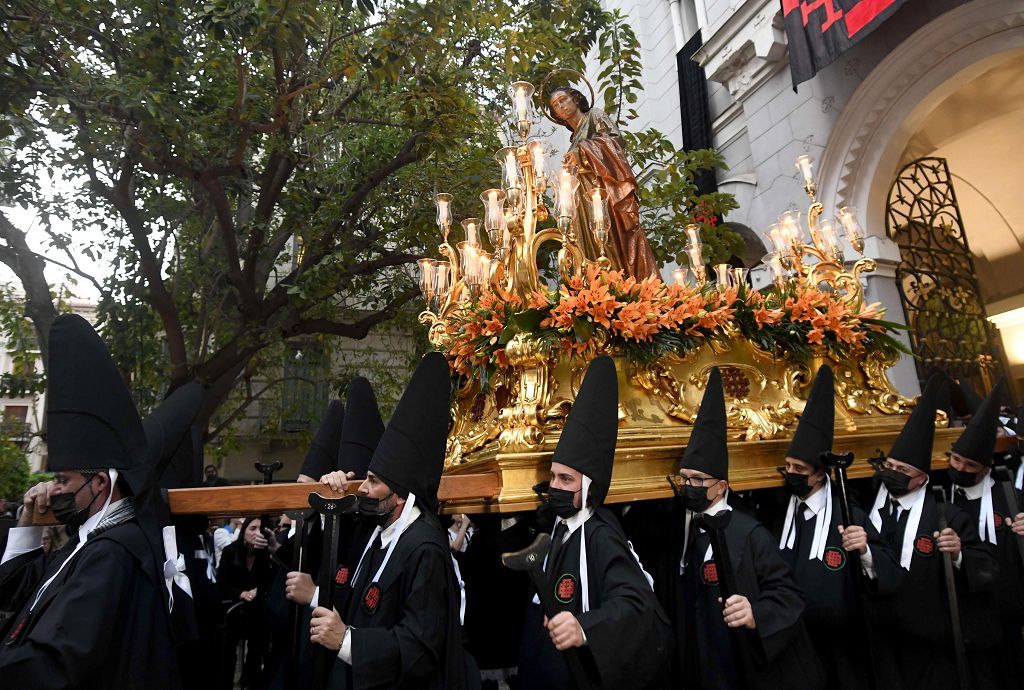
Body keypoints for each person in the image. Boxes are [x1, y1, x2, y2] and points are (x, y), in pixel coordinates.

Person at [0, 313, 180, 688]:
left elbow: (58, 661)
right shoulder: (88, 541)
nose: (53, 490)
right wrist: (29, 523)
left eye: (63, 479)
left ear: (100, 483)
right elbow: (16, 589)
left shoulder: (112, 551)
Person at [657, 367, 823, 690]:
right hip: (703, 662)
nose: (688, 485)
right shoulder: (685, 529)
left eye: (696, 480)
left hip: (742, 668)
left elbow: (789, 596)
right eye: (684, 477)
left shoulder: (750, 535)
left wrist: (755, 613)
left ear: (720, 487)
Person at [518, 355, 672, 690]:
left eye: (566, 480)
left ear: (588, 487)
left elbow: (636, 605)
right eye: (553, 478)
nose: (555, 487)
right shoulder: (559, 529)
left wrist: (586, 628)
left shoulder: (601, 536)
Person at [312, 353, 465, 690]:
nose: (364, 489)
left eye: (373, 482)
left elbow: (421, 647)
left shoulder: (424, 547)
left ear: (401, 495)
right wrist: (333, 487)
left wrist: (347, 641)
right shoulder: (377, 533)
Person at [771, 365, 903, 689]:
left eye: (799, 468)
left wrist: (867, 551)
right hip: (800, 647)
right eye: (788, 466)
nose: (791, 473)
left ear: (820, 474)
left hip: (846, 652)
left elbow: (888, 571)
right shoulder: (781, 515)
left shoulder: (850, 516)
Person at [866, 374, 998, 690]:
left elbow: (986, 566)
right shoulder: (875, 512)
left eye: (903, 471)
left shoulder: (946, 516)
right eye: (891, 467)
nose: (894, 474)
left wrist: (959, 555)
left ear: (922, 478)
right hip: (887, 638)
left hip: (934, 641)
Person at [945, 377, 1024, 685]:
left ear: (986, 468)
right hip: (967, 614)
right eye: (956, 460)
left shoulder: (1012, 499)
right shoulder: (943, 497)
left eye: (969, 465)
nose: (961, 469)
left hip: (1009, 608)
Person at [548, 85, 658, 280]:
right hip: (586, 202)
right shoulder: (573, 140)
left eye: (562, 99)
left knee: (614, 238)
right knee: (594, 245)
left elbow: (614, 141)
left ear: (575, 98)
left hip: (606, 192)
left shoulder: (594, 116)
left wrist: (582, 152)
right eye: (556, 105)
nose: (561, 106)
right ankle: (607, 286)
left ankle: (627, 283)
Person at [217, 516, 279, 689]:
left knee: (257, 649)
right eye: (252, 528)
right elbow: (222, 583)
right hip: (234, 610)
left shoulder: (266, 553)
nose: (256, 533)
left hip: (257, 610)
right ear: (243, 531)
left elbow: (271, 581)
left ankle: (250, 682)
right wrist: (241, 593)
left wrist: (259, 590)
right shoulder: (231, 551)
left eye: (260, 529)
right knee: (228, 652)